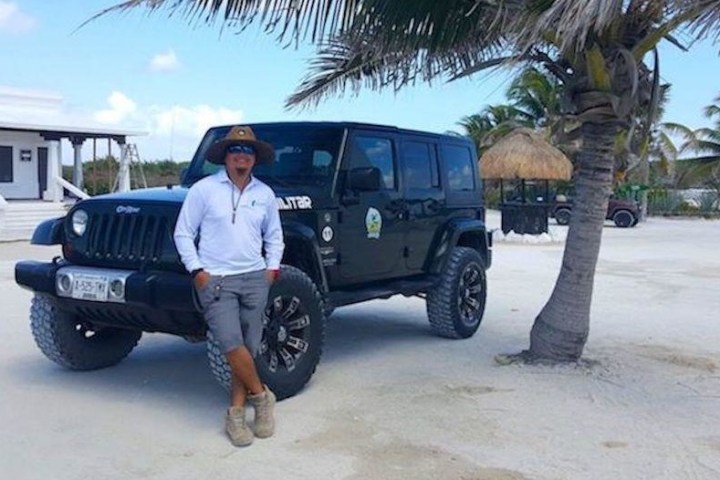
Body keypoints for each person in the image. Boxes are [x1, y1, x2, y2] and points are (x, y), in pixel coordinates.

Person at [173, 125, 285, 447]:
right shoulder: (204, 190)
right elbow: (183, 233)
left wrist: (272, 269)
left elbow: (273, 236)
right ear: (225, 156)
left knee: (247, 349)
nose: (242, 156)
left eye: (248, 151)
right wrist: (197, 271)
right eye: (235, 151)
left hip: (255, 278)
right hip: (216, 280)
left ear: (254, 159)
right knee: (231, 344)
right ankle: (263, 398)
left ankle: (236, 413)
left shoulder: (263, 194)